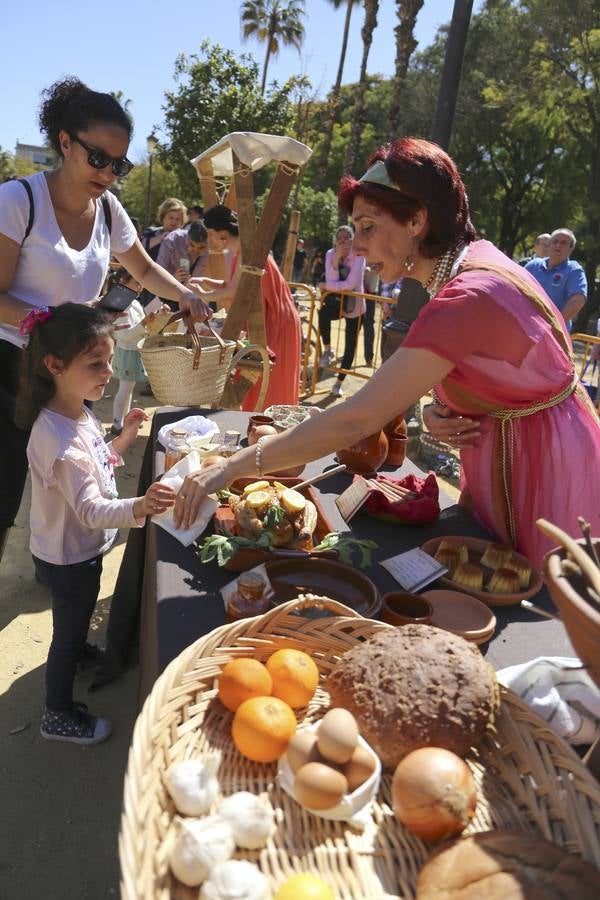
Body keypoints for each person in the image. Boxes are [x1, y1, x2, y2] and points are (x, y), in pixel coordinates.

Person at [174, 137, 600, 568]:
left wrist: (231, 468)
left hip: (541, 470)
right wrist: (447, 407)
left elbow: (359, 417)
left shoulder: (467, 294)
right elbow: (513, 371)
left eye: (368, 227)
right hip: (524, 451)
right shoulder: (477, 264)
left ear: (416, 220)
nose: (357, 247)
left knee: (534, 596)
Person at [0, 77, 211, 560]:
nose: (109, 173)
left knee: (79, 477)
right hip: (12, 366)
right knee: (5, 488)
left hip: (73, 372)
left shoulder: (109, 209)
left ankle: (58, 572)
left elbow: (142, 267)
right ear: (65, 143)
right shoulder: (18, 201)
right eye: (98, 158)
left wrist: (184, 295)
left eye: (120, 164)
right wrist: (49, 319)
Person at [16, 304, 176, 744]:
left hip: (68, 551)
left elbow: (99, 461)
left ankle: (82, 651)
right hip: (69, 558)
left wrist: (123, 436)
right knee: (65, 638)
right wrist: (140, 505)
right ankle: (58, 714)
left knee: (79, 619)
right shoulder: (60, 441)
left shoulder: (76, 412)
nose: (108, 371)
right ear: (55, 366)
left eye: (108, 361)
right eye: (95, 364)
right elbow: (89, 508)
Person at [188, 204, 302, 411]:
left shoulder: (247, 252)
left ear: (223, 234)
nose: (209, 240)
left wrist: (203, 295)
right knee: (257, 379)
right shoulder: (241, 251)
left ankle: (270, 431)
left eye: (211, 234)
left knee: (270, 382)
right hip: (268, 321)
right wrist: (205, 282)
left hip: (276, 323)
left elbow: (236, 292)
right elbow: (233, 286)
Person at [106, 268, 170, 435]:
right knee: (124, 389)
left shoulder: (134, 303)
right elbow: (125, 334)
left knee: (128, 389)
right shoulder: (120, 304)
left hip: (134, 350)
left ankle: (124, 420)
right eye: (136, 282)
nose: (140, 286)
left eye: (140, 283)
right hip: (126, 351)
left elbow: (143, 324)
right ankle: (117, 422)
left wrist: (155, 315)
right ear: (123, 282)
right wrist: (144, 322)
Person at [318, 224, 366, 398]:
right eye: (340, 238)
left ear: (353, 240)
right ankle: (327, 349)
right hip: (337, 304)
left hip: (355, 306)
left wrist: (327, 286)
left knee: (350, 345)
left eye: (347, 237)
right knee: (322, 313)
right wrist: (337, 259)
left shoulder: (359, 256)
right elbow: (333, 279)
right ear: (335, 241)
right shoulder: (331, 254)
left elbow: (351, 285)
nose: (343, 241)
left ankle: (339, 382)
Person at [525, 228, 587, 328]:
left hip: (552, 333)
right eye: (555, 241)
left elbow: (577, 301)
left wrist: (554, 327)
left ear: (571, 249)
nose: (558, 245)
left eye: (563, 243)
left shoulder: (573, 270)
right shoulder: (534, 265)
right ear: (549, 245)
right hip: (526, 325)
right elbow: (515, 285)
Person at [156, 220, 209, 287]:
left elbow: (196, 278)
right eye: (192, 245)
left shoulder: (207, 247)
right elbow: (158, 273)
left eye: (201, 248)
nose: (195, 251)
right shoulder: (171, 240)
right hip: (162, 286)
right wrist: (173, 280)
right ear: (188, 237)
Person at [141, 197, 187, 261]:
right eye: (171, 218)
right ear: (163, 217)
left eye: (177, 219)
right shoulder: (150, 232)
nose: (174, 222)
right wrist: (160, 238)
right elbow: (140, 247)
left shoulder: (185, 238)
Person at [362, 263, 380, 367]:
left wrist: (370, 269)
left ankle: (369, 358)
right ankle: (348, 355)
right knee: (353, 326)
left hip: (370, 294)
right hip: (356, 292)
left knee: (368, 326)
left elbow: (381, 268)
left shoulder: (379, 253)